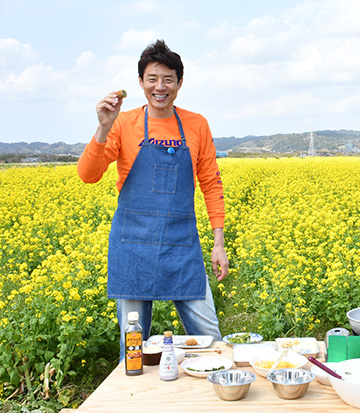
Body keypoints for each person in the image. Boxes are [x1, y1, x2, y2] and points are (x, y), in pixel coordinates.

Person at [77, 40, 228, 360]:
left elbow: (211, 183)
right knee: (133, 347)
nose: (160, 87)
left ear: (180, 83)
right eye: (152, 79)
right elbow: (88, 175)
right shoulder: (122, 123)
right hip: (133, 247)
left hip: (181, 246)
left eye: (168, 79)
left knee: (212, 342)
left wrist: (219, 242)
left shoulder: (196, 124)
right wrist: (103, 129)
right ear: (141, 83)